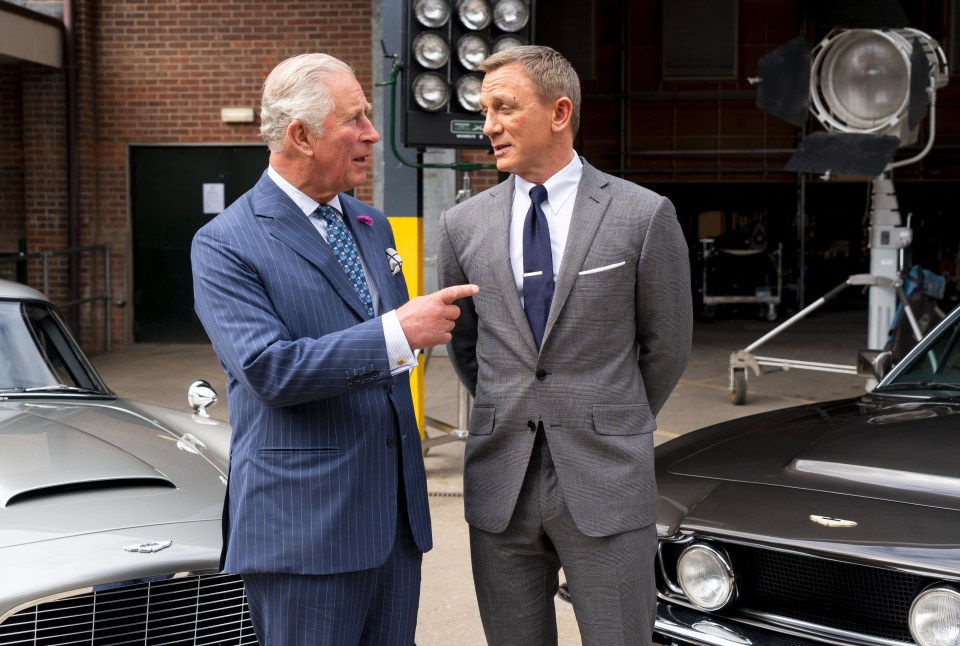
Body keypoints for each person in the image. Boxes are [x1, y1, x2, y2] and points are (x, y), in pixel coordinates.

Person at [192, 52, 477, 645]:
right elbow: (269, 370)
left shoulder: (370, 223)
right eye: (356, 119)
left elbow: (385, 355)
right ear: (300, 135)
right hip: (305, 534)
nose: (373, 134)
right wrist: (398, 332)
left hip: (394, 526)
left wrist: (402, 338)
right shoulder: (225, 243)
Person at [436, 45, 692, 645]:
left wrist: (613, 418)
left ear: (558, 113)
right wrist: (515, 405)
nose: (489, 125)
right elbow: (467, 347)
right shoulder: (463, 225)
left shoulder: (643, 215)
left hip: (605, 477)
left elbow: (667, 344)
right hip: (501, 481)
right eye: (484, 110)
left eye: (504, 107)